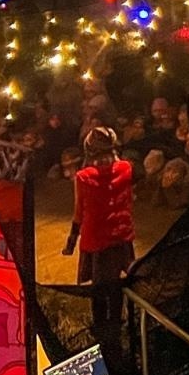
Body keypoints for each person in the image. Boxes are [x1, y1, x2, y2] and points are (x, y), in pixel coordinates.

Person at [64, 126, 136, 329]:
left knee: (99, 286)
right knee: (118, 282)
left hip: (97, 240)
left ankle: (101, 325)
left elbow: (79, 212)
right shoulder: (126, 168)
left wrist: (71, 242)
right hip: (122, 235)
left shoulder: (83, 177)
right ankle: (116, 319)